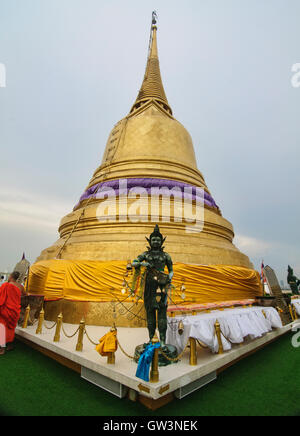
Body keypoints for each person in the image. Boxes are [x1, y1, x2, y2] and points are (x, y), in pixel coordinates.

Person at [132, 225, 173, 350]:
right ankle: (151, 339)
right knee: (150, 315)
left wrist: (168, 278)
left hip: (161, 287)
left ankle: (163, 341)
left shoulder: (166, 256)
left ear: (162, 242)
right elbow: (133, 263)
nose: (156, 241)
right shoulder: (145, 255)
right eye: (154, 239)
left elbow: (171, 270)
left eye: (158, 240)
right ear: (150, 241)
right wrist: (142, 263)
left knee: (161, 315)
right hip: (149, 287)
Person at [0, 271, 22, 355]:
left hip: (5, 310)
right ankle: (9, 345)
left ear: (10, 276)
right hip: (14, 311)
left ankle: (2, 349)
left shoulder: (5, 285)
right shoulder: (20, 287)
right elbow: (24, 295)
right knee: (10, 328)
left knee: (2, 328)